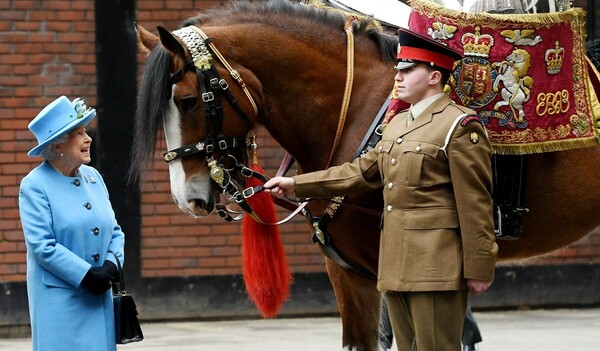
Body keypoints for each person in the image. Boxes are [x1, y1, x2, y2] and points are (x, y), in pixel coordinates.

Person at [265, 28, 498, 351]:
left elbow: (476, 204)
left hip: (436, 268)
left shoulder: (459, 126)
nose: (397, 77)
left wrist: (478, 267)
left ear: (434, 76)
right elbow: (361, 171)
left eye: (407, 70)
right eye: (397, 69)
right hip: (395, 266)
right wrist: (296, 184)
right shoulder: (399, 125)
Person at [18, 95, 125, 351]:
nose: (88, 138)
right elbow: (42, 246)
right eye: (78, 133)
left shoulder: (93, 177)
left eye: (85, 131)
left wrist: (111, 264)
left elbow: (115, 230)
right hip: (60, 301)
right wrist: (86, 274)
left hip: (98, 297)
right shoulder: (34, 185)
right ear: (58, 145)